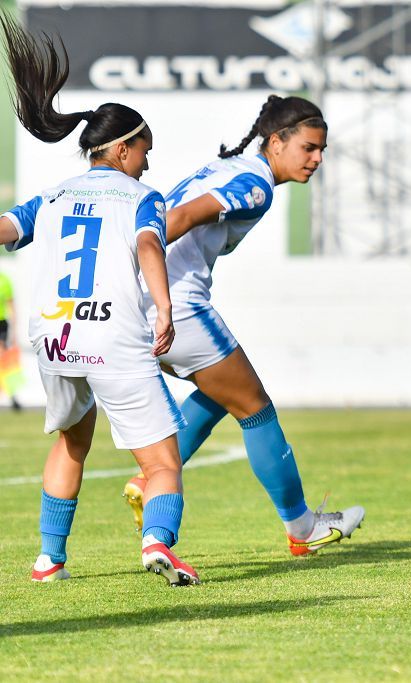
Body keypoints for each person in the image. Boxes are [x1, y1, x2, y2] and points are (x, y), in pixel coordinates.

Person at [0, 13, 198, 585]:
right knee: (161, 462)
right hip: (113, 335)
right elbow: (148, 248)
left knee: (72, 440)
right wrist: (163, 308)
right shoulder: (142, 197)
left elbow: (8, 229)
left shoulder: (53, 194)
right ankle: (157, 543)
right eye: (144, 149)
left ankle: (48, 559)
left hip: (55, 337)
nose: (148, 161)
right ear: (122, 148)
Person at [121, 94, 365, 556]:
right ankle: (303, 527)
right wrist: (132, 262)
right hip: (177, 307)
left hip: (139, 308)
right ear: (276, 141)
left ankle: (146, 479)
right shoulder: (256, 185)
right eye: (309, 148)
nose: (316, 160)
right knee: (256, 409)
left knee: (221, 395)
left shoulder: (225, 168)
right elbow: (181, 218)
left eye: (322, 151)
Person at [0, 267, 23, 410]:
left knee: (5, 360)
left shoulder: (4, 280)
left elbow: (11, 307)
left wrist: (14, 333)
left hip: (1, 324)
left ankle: (13, 395)